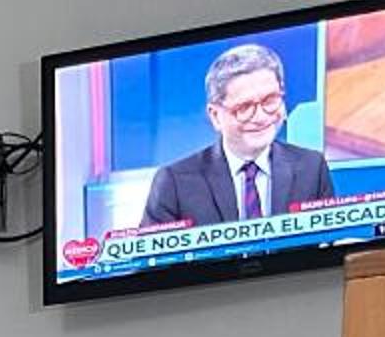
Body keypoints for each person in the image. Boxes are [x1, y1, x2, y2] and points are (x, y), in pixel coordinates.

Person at [142, 42, 335, 226]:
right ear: (215, 116)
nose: (260, 117)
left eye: (270, 100)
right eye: (244, 107)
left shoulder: (312, 168)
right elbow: (154, 250)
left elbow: (330, 242)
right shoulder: (174, 183)